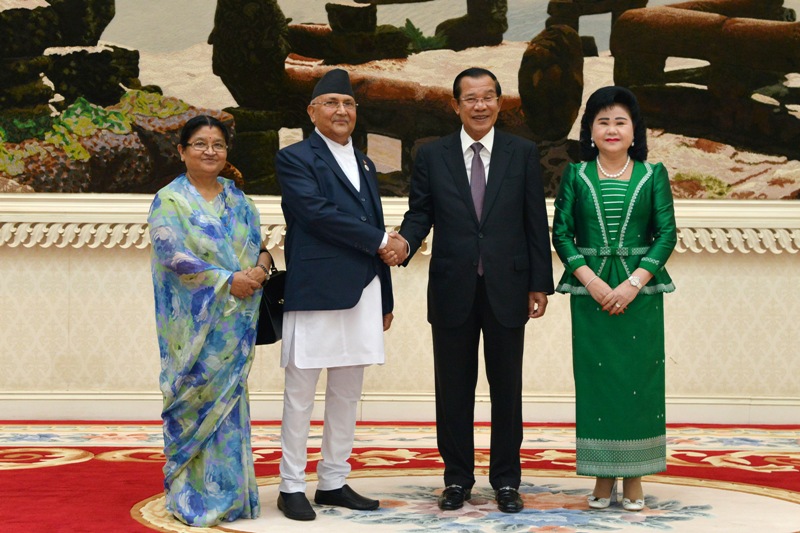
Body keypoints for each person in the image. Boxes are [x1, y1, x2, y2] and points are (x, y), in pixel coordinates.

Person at [387, 67, 554, 513]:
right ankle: (457, 478)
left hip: (509, 286)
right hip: (451, 286)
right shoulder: (432, 155)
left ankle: (506, 480)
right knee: (453, 389)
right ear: (455, 105)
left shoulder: (521, 153)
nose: (480, 106)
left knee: (507, 389)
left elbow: (534, 220)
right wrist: (403, 242)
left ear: (500, 102)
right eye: (470, 98)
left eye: (488, 97)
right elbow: (420, 213)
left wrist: (540, 282)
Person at [275, 68, 402, 522]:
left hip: (363, 292)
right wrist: (381, 239)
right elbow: (315, 213)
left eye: (348, 104)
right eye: (331, 103)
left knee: (348, 393)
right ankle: (290, 485)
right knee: (300, 392)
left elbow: (373, 226)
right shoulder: (295, 158)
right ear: (312, 112)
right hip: (315, 290)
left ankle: (332, 480)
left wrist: (385, 298)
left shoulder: (365, 162)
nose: (341, 111)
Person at [551, 86, 677, 512]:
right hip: (589, 295)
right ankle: (603, 476)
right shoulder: (576, 174)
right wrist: (591, 281)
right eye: (602, 121)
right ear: (589, 129)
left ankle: (636, 476)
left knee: (637, 386)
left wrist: (632, 284)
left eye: (620, 121)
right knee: (597, 384)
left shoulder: (652, 174)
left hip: (640, 296)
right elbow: (562, 233)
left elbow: (666, 234)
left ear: (634, 129)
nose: (611, 129)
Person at [148, 114, 272, 526]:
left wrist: (261, 269)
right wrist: (226, 281)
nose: (209, 151)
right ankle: (192, 499)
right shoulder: (171, 199)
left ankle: (232, 498)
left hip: (234, 326)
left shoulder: (239, 199)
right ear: (182, 151)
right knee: (193, 405)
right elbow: (172, 255)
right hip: (193, 328)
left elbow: (260, 246)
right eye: (200, 144)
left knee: (230, 408)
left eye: (217, 145)